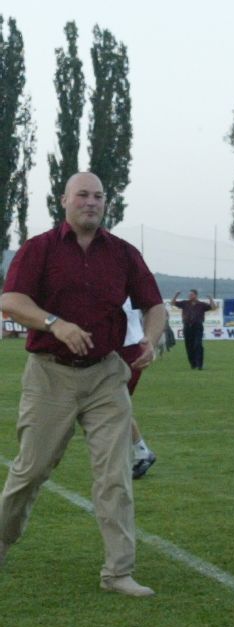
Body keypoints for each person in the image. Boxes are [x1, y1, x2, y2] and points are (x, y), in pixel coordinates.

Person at [0, 171, 166, 597]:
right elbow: (11, 301)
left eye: (98, 196)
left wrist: (150, 336)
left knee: (115, 476)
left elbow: (154, 304)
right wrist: (55, 324)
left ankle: (118, 572)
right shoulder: (38, 249)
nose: (91, 202)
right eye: (82, 196)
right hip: (50, 374)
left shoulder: (124, 254)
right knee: (31, 470)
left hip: (106, 375)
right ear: (64, 201)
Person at [119, 299, 157, 480]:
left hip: (128, 348)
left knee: (115, 404)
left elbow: (154, 306)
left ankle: (141, 452)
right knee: (115, 405)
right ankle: (141, 452)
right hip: (123, 347)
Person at [172, 289, 216, 369]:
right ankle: (193, 364)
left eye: (191, 294)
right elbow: (173, 303)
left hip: (197, 326)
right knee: (189, 346)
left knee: (198, 344)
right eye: (189, 295)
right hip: (187, 326)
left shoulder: (201, 304)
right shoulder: (185, 303)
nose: (190, 296)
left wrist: (210, 299)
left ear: (196, 295)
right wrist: (176, 295)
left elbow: (213, 307)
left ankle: (200, 365)